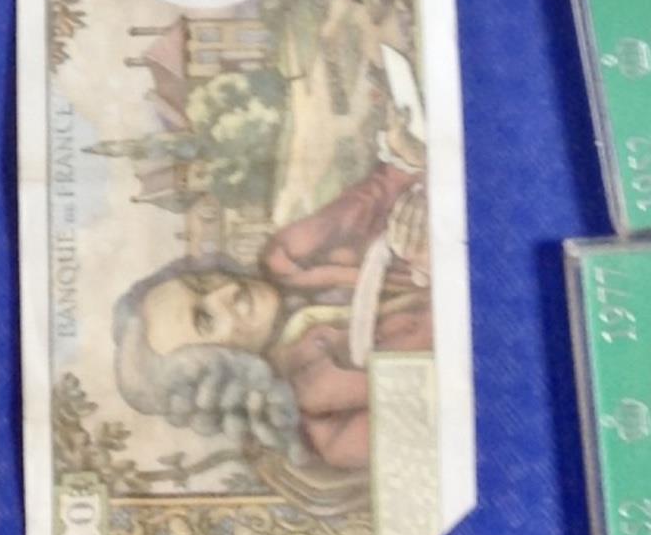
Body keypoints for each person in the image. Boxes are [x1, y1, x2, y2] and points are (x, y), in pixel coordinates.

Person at [110, 161, 432, 473]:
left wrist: (419, 201)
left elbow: (389, 181)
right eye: (206, 320)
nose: (228, 291)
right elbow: (446, 417)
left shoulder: (289, 254)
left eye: (202, 283)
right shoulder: (331, 429)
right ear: (220, 370)